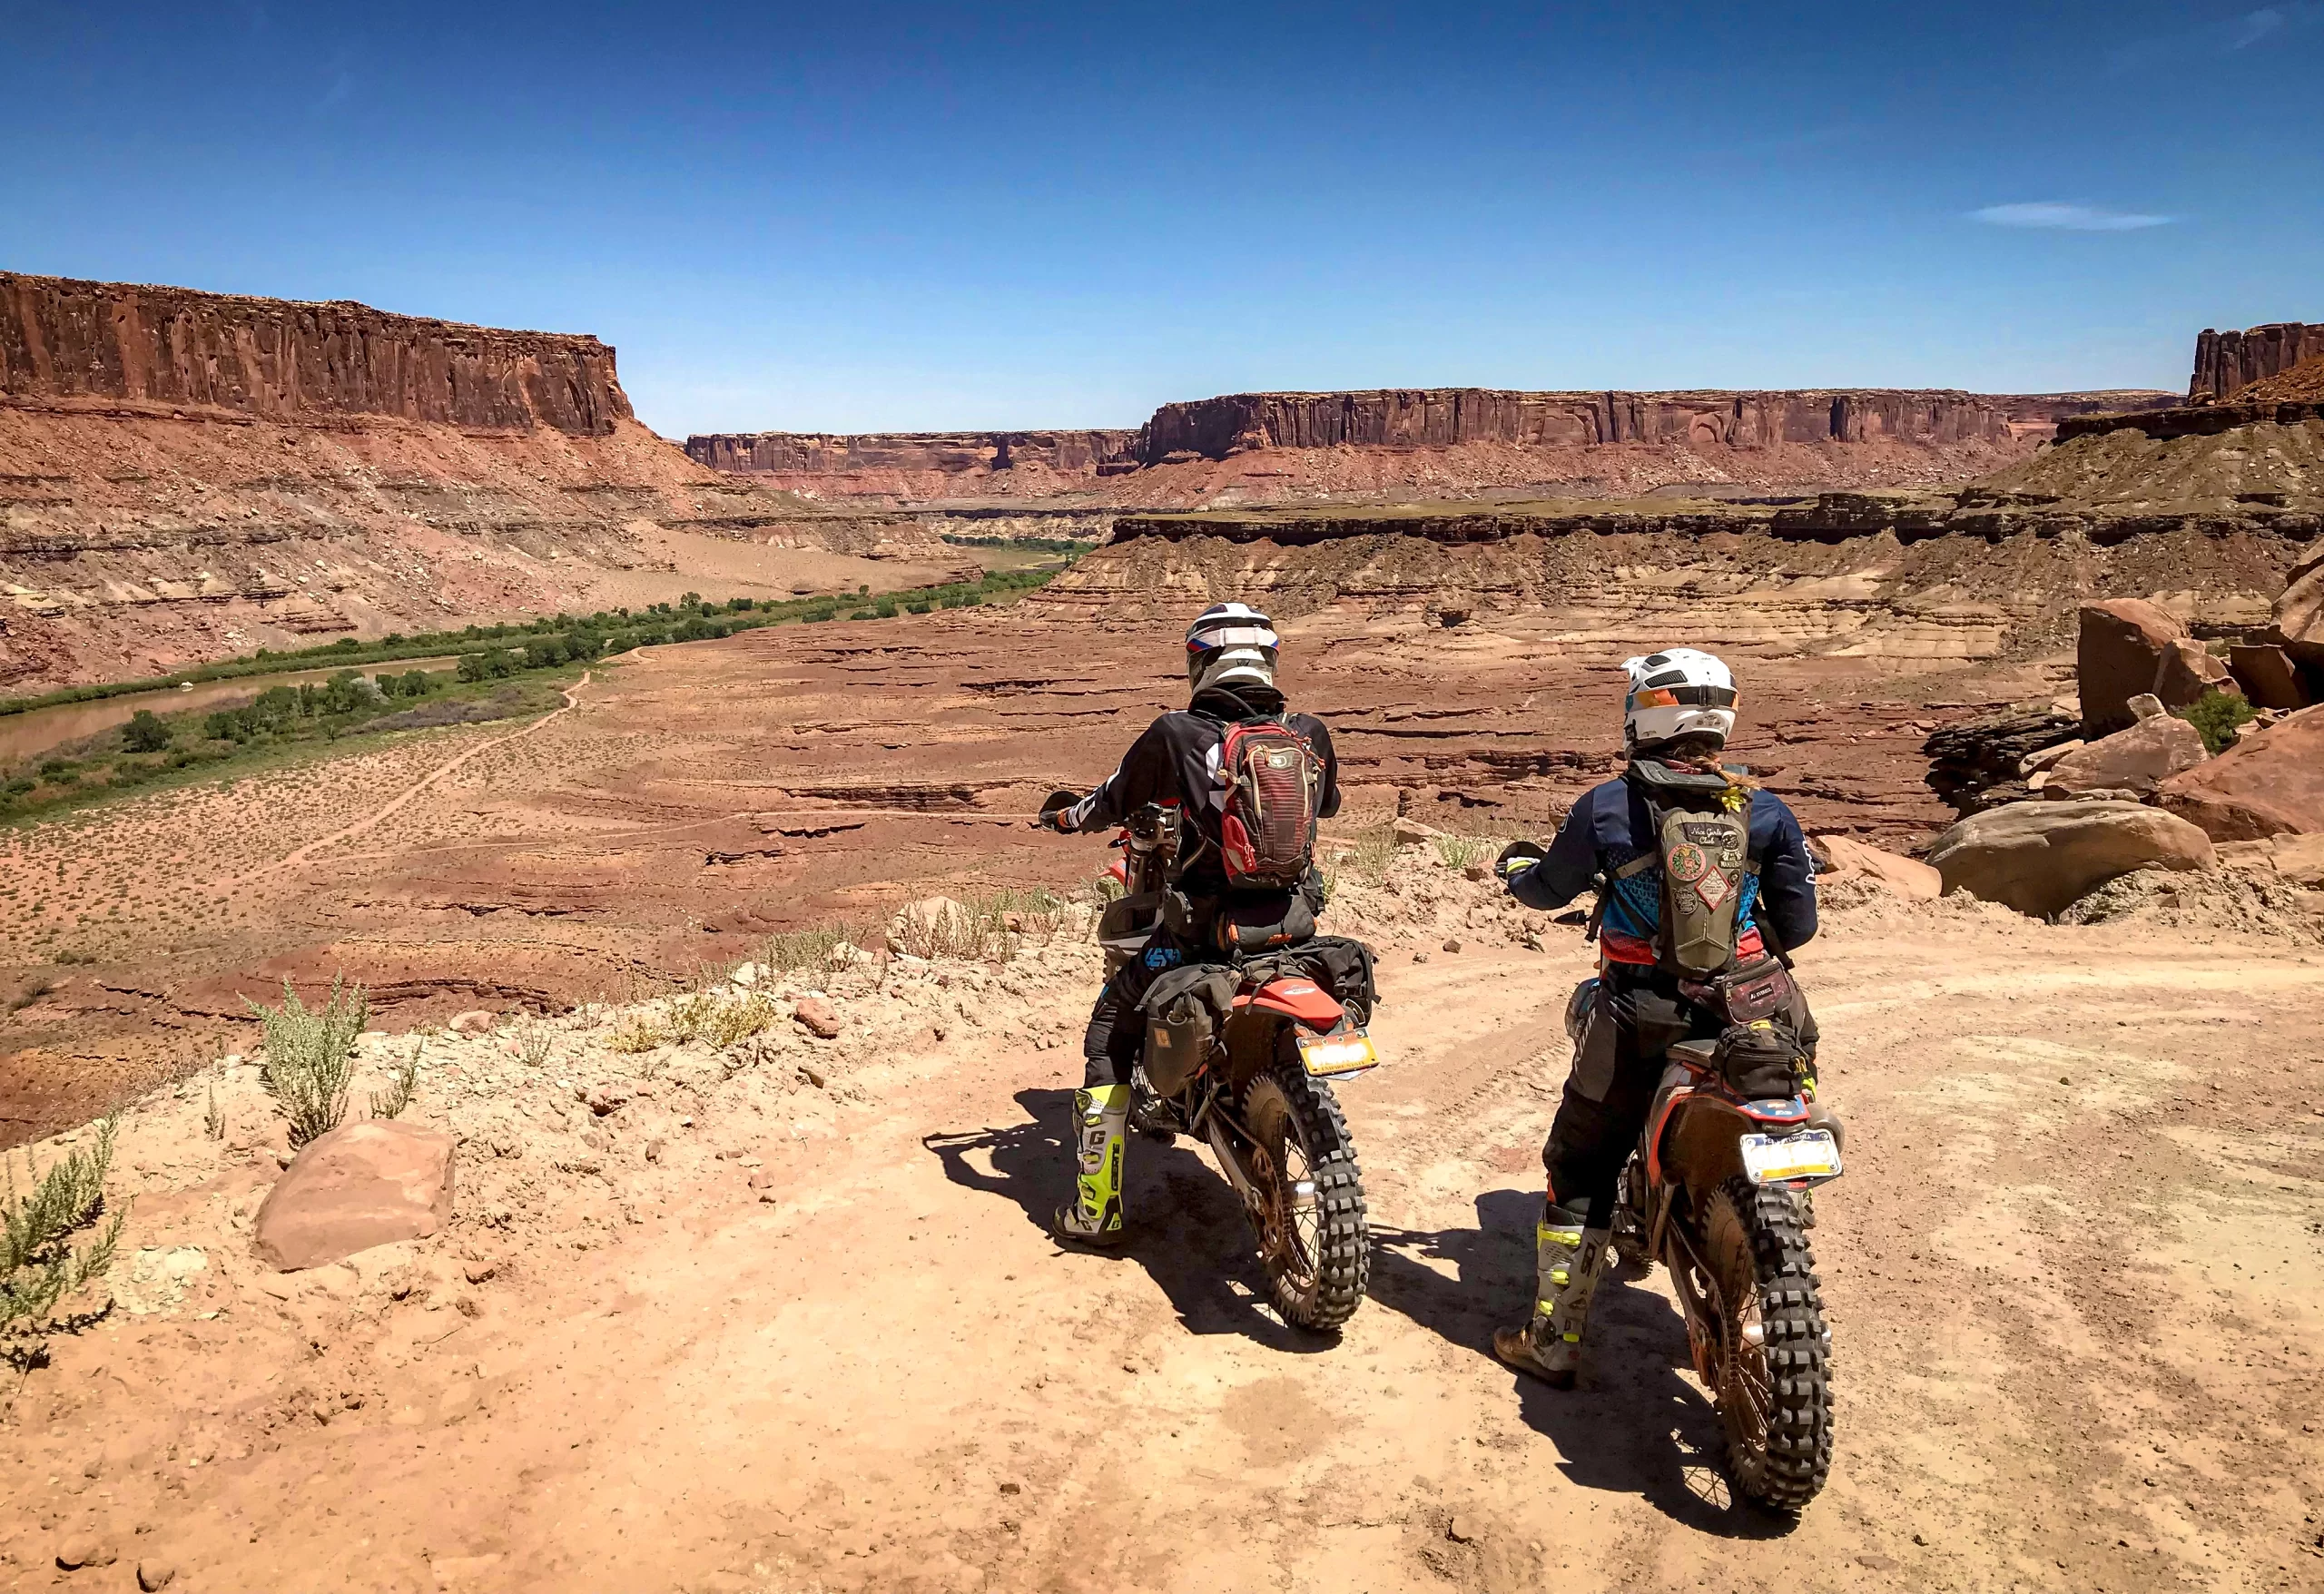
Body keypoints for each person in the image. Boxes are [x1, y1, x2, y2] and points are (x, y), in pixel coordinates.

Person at [1492, 647, 1819, 1386]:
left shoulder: (1610, 805)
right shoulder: (1761, 809)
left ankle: (1552, 1340)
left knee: (1580, 1165)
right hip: (1748, 1010)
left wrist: (1515, 871)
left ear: (1644, 714)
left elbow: (1547, 889)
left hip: (1638, 1012)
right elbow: (1796, 929)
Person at [1039, 601, 1342, 1245]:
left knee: (1105, 1036)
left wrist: (1062, 819)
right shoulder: (1308, 733)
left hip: (1199, 937)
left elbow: (1107, 804)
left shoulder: (1175, 734)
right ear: (1269, 661)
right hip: (1294, 928)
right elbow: (1329, 805)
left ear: (1200, 663)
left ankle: (1096, 1212)